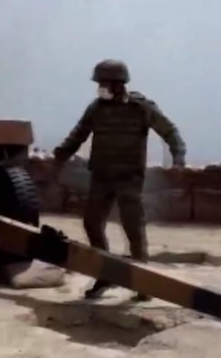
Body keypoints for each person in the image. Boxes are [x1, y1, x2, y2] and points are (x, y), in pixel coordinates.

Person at [52, 59, 187, 300]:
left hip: (128, 178)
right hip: (101, 176)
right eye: (99, 83)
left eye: (104, 83)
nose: (100, 88)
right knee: (92, 223)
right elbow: (78, 134)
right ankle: (104, 273)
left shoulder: (141, 107)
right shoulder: (96, 109)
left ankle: (142, 282)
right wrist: (60, 155)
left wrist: (178, 160)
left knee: (133, 228)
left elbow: (170, 131)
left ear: (118, 84)